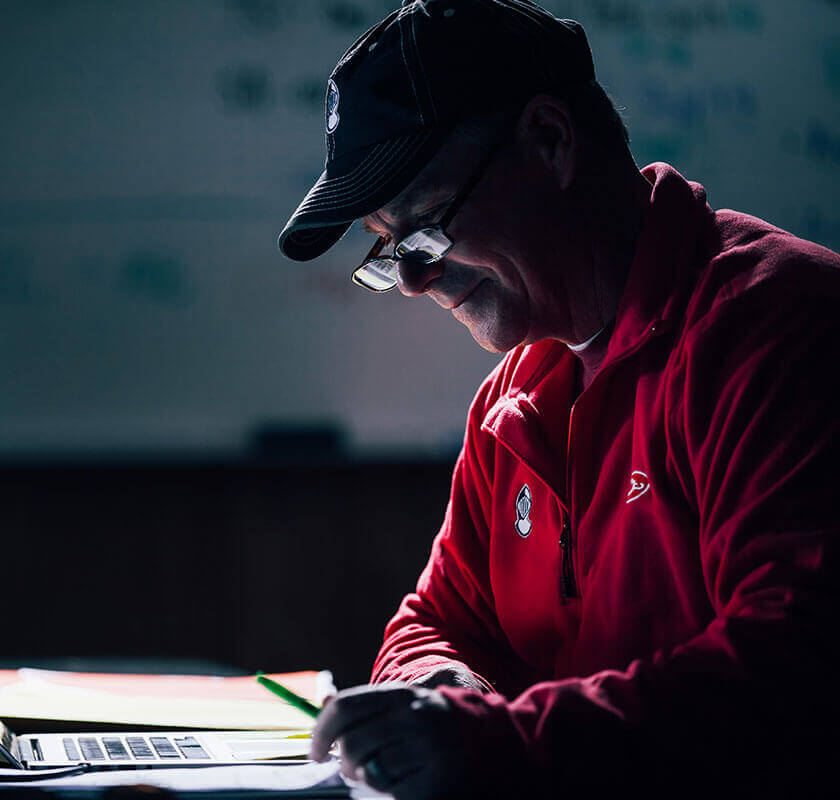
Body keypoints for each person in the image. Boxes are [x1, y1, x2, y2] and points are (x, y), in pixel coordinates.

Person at [277, 1, 840, 798]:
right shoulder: (513, 400)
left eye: (426, 229)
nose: (410, 280)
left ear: (550, 141)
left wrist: (488, 743)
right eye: (388, 248)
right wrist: (445, 685)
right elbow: (434, 623)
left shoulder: (783, 328)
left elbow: (796, 676)